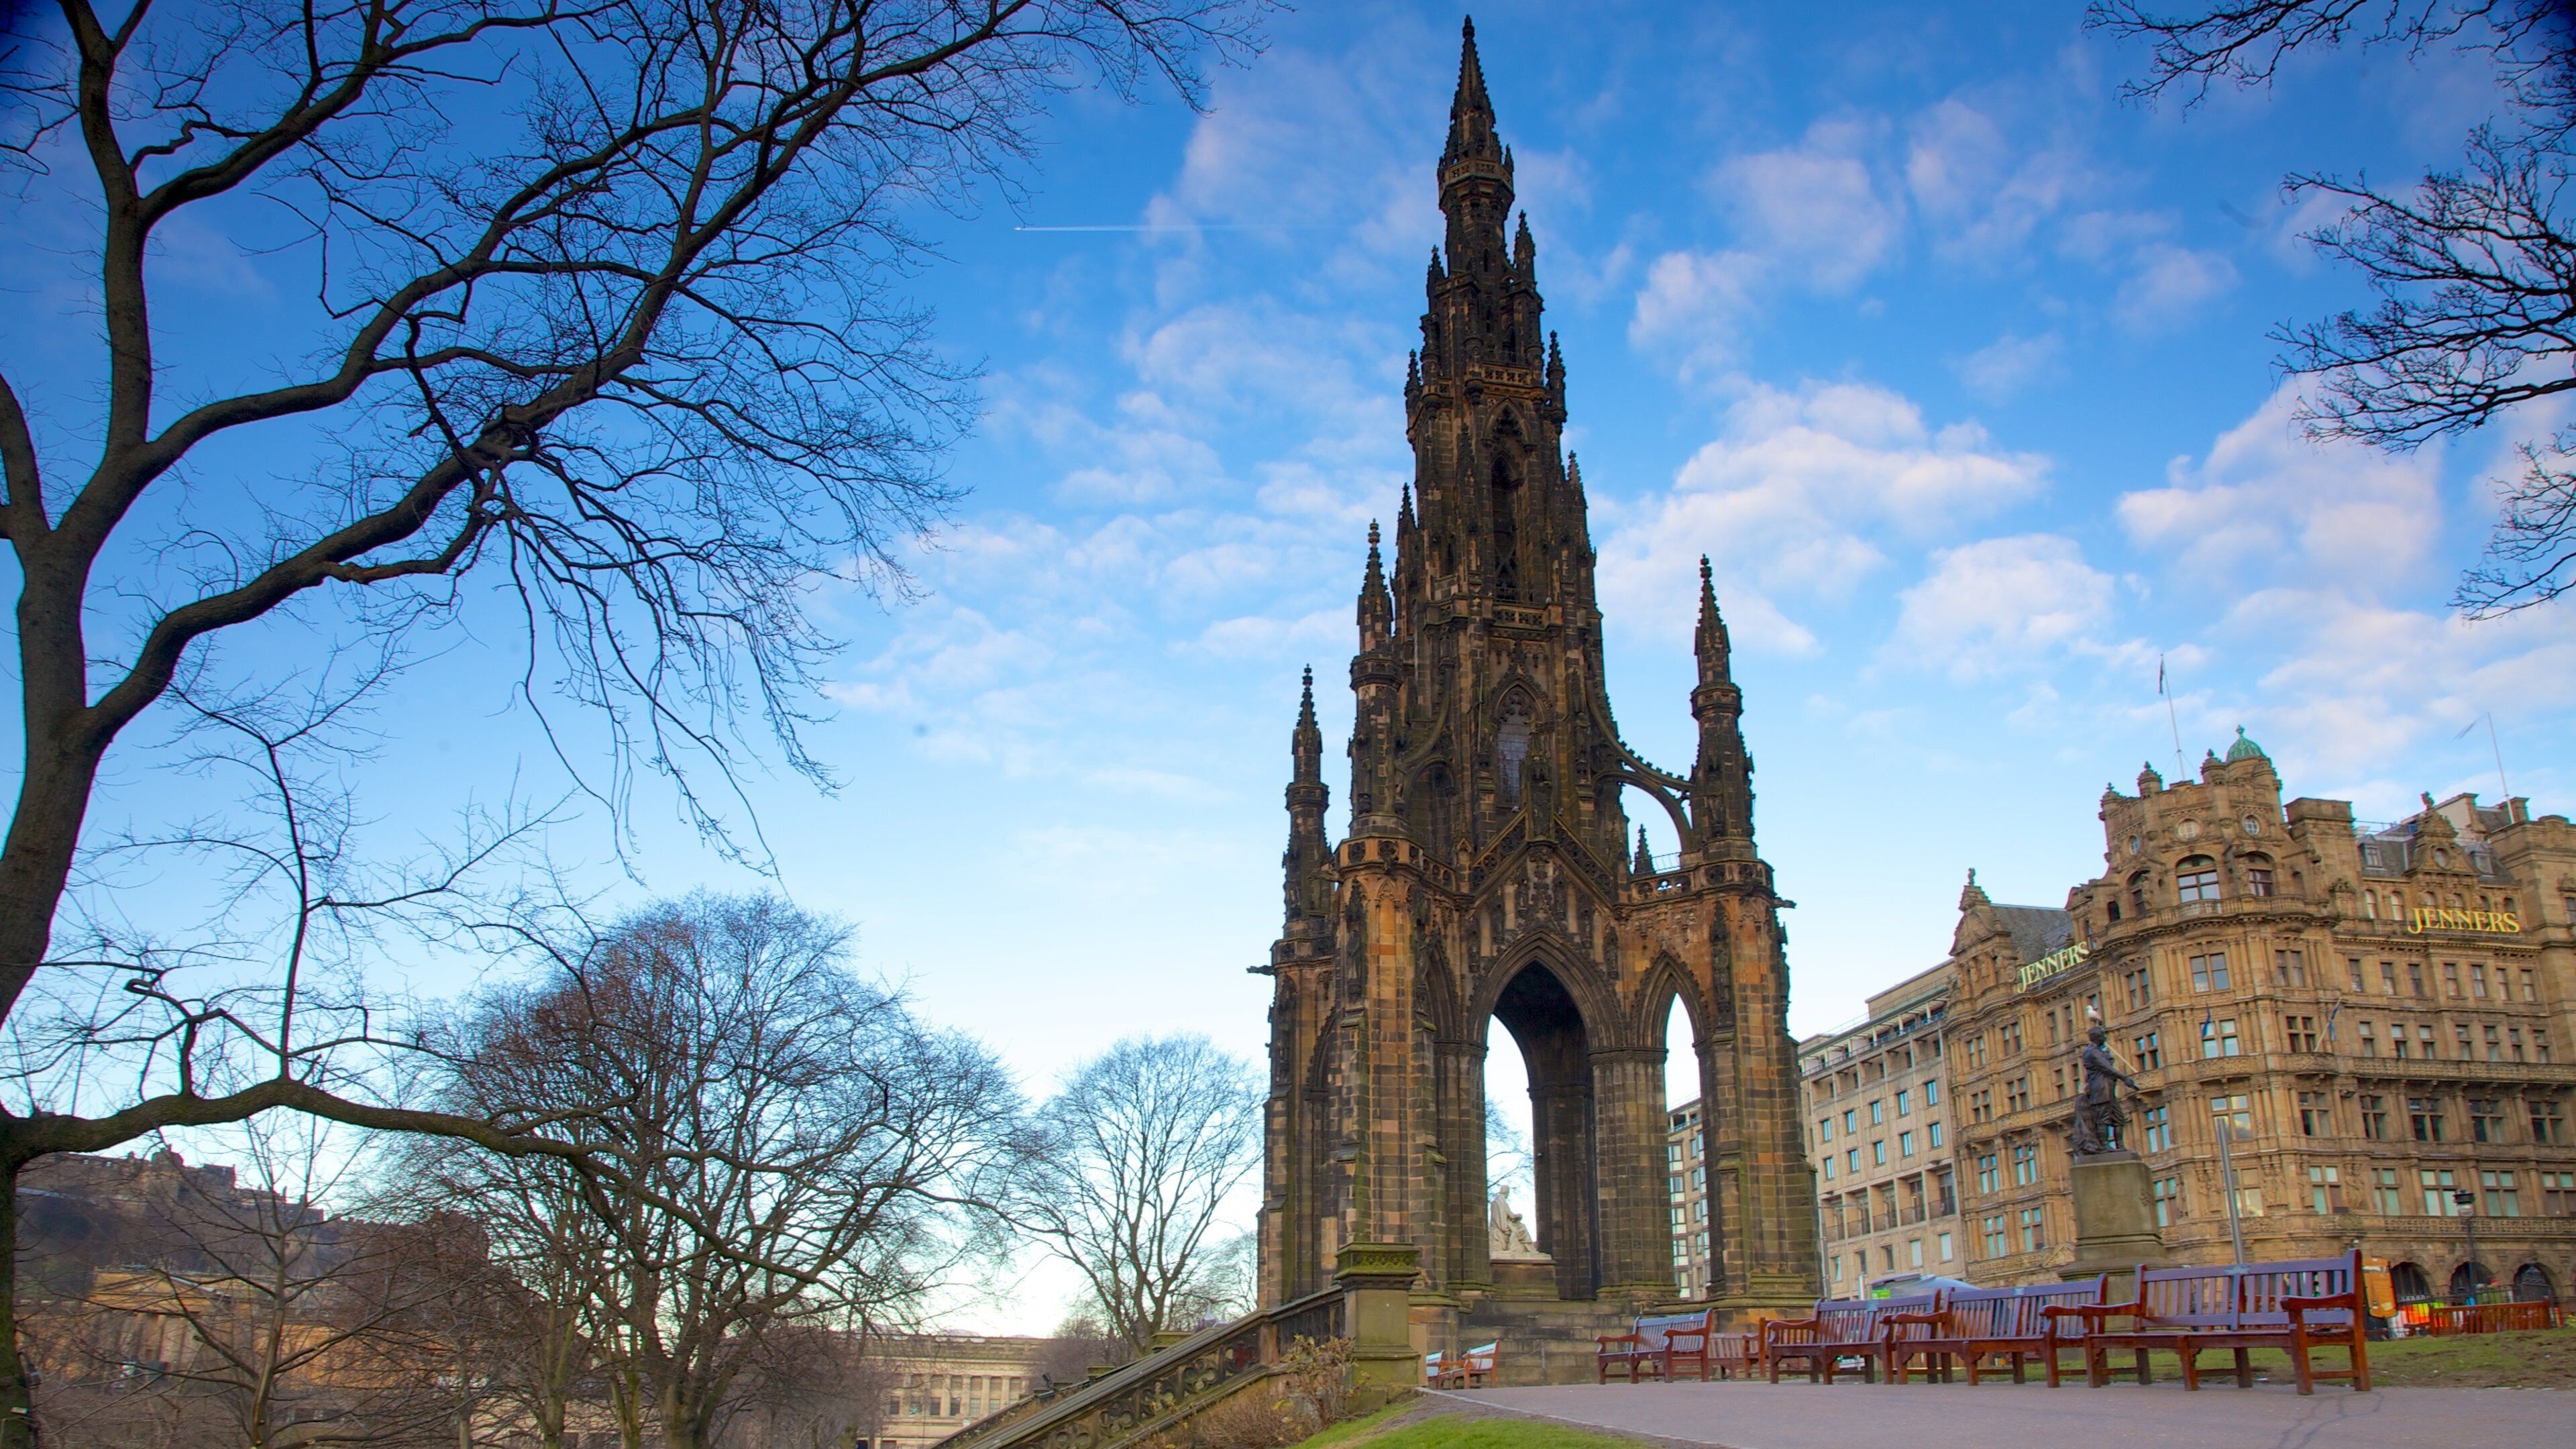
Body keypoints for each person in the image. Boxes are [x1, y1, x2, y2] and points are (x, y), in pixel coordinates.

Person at [2070, 1022, 2140, 1155]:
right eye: (2104, 1035)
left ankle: (2120, 1146)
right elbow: (2106, 1068)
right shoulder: (2092, 1053)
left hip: (2109, 1089)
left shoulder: (2099, 1052)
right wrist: (2124, 1077)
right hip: (2100, 1089)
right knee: (2103, 1118)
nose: (2106, 1037)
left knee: (2119, 1119)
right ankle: (2103, 1145)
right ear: (2098, 1037)